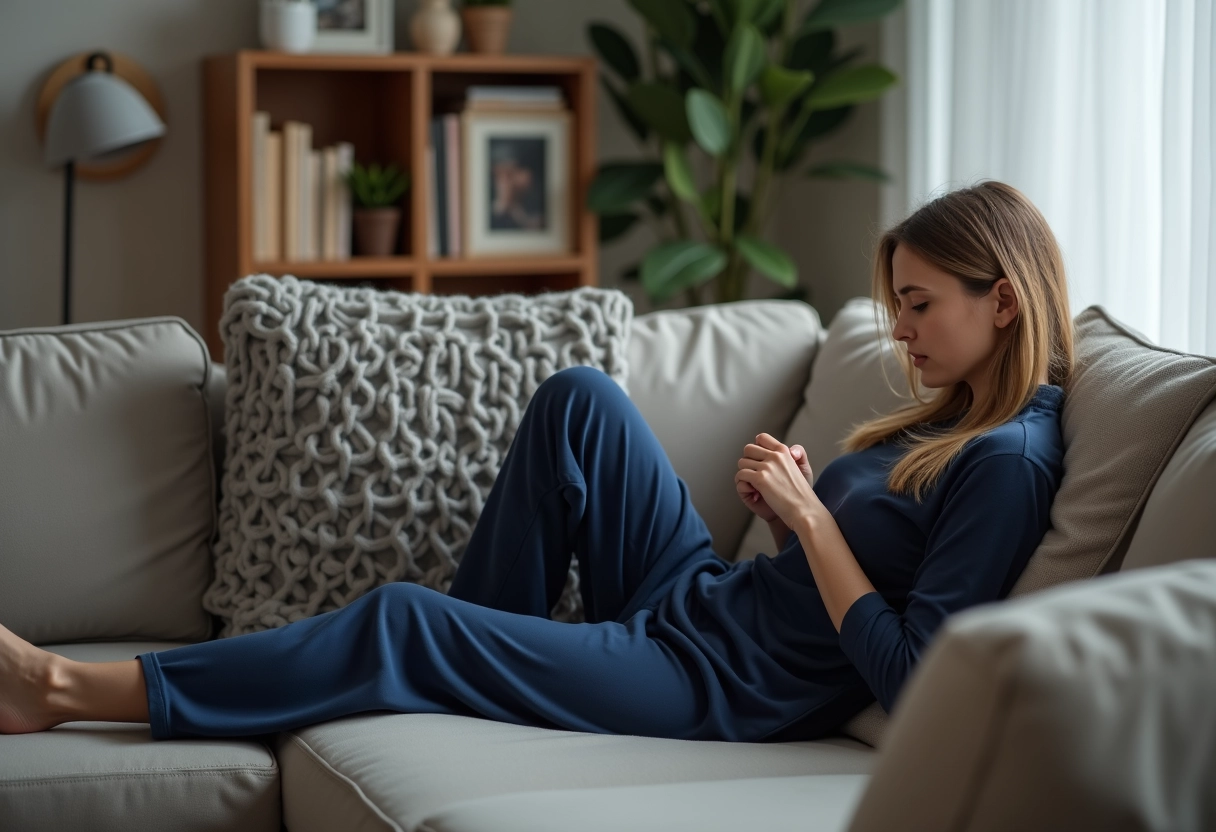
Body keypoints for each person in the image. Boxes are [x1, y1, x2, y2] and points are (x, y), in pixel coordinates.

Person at [0, 180, 1072, 742]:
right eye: (896, 309)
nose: (903, 335)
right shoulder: (950, 418)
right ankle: (473, 674)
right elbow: (839, 560)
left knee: (402, 619)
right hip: (705, 603)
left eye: (920, 306)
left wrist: (819, 522)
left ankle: (60, 687)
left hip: (717, 686)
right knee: (582, 399)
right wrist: (788, 511)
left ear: (1004, 298)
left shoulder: (1010, 460)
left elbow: (917, 673)